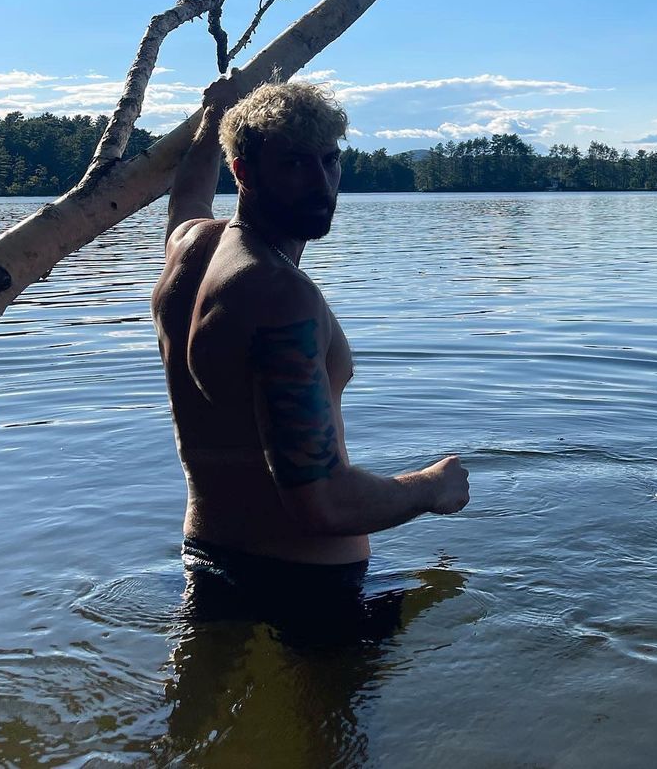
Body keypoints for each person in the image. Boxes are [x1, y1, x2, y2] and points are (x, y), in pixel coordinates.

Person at [151, 78, 470, 642]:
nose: (322, 185)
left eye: (330, 160)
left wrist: (211, 118)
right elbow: (322, 504)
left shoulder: (190, 249)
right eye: (295, 164)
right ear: (244, 172)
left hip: (208, 558)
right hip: (310, 586)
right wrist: (430, 486)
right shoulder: (278, 293)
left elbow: (189, 196)